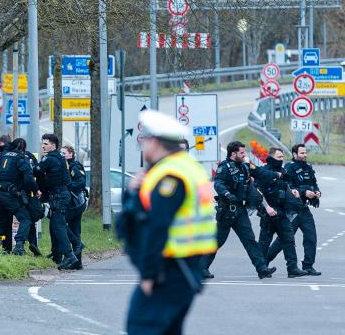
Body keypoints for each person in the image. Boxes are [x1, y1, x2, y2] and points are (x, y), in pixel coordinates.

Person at [118, 109, 217, 335]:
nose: (142, 147)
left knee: (142, 327)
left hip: (169, 269)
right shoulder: (186, 167)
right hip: (184, 267)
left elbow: (157, 226)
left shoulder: (170, 177)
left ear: (155, 142)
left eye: (143, 141)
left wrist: (149, 274)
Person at [200, 141, 277, 280]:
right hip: (227, 210)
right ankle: (202, 268)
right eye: (242, 152)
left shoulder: (246, 166)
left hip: (240, 211)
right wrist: (227, 194)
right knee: (218, 241)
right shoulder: (224, 167)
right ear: (233, 153)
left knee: (250, 240)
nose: (244, 155)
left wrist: (277, 175)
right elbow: (218, 183)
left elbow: (261, 173)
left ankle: (262, 269)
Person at [268, 143, 322, 276]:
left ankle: (308, 266)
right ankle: (263, 262)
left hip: (304, 208)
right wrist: (304, 192)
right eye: (302, 153)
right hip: (291, 210)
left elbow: (313, 183)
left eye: (305, 153)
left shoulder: (308, 167)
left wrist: (317, 192)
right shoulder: (289, 167)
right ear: (294, 154)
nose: (305, 155)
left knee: (311, 237)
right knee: (284, 239)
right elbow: (288, 186)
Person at [255, 147, 307, 278]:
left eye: (283, 157)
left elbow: (287, 185)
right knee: (264, 242)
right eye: (279, 157)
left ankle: (293, 269)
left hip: (282, 212)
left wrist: (293, 190)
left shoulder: (283, 171)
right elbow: (258, 191)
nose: (282, 159)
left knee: (289, 240)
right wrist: (267, 207)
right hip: (268, 212)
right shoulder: (264, 172)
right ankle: (262, 268)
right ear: (272, 157)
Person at [34, 133, 78, 270]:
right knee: (57, 225)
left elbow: (36, 171)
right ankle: (73, 246)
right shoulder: (58, 156)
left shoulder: (50, 158)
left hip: (59, 195)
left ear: (53, 145)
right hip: (60, 194)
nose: (43, 146)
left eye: (46, 144)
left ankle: (70, 255)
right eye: (42, 143)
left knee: (58, 225)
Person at [0, 139, 39, 255]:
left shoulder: (2, 156)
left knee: (0, 221)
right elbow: (29, 178)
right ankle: (19, 245)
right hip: (11, 194)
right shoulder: (21, 158)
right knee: (25, 218)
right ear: (24, 148)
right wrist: (34, 190)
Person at [11, 138, 44, 256]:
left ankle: (30, 244)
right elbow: (37, 171)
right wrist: (36, 189)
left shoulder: (12, 157)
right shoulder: (29, 156)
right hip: (29, 193)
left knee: (29, 218)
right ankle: (28, 244)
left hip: (19, 193)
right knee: (29, 218)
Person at [61, 145, 87, 269]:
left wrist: (67, 187)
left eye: (64, 153)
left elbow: (81, 182)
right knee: (75, 230)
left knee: (59, 223)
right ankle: (77, 262)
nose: (62, 155)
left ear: (70, 154)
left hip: (75, 204)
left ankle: (76, 247)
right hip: (74, 205)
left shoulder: (74, 166)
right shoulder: (66, 166)